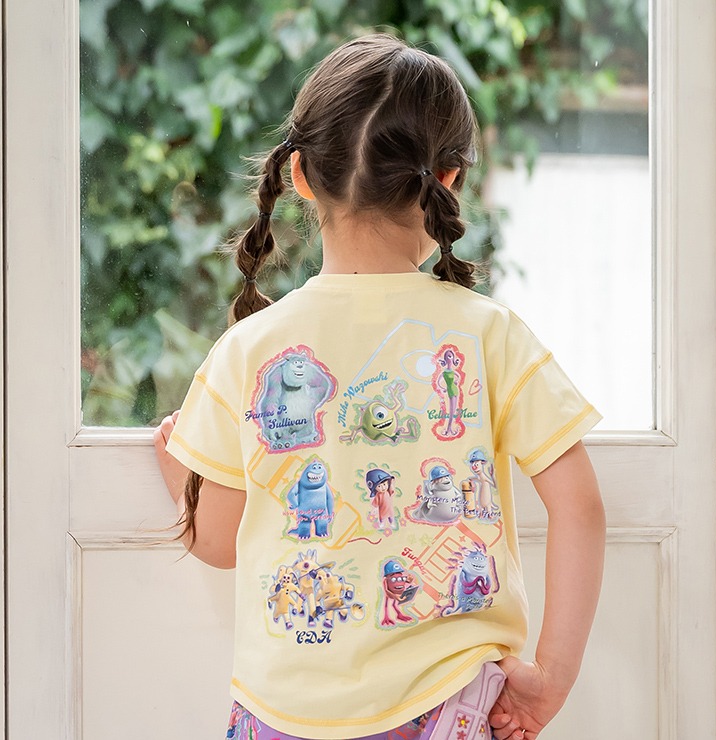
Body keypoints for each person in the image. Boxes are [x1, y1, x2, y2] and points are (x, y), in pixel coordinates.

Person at [153, 34, 606, 740]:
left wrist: (173, 463)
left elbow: (218, 541)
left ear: (300, 176)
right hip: (451, 703)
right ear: (448, 179)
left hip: (285, 714)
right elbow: (580, 506)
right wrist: (553, 674)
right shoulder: (490, 333)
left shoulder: (248, 348)